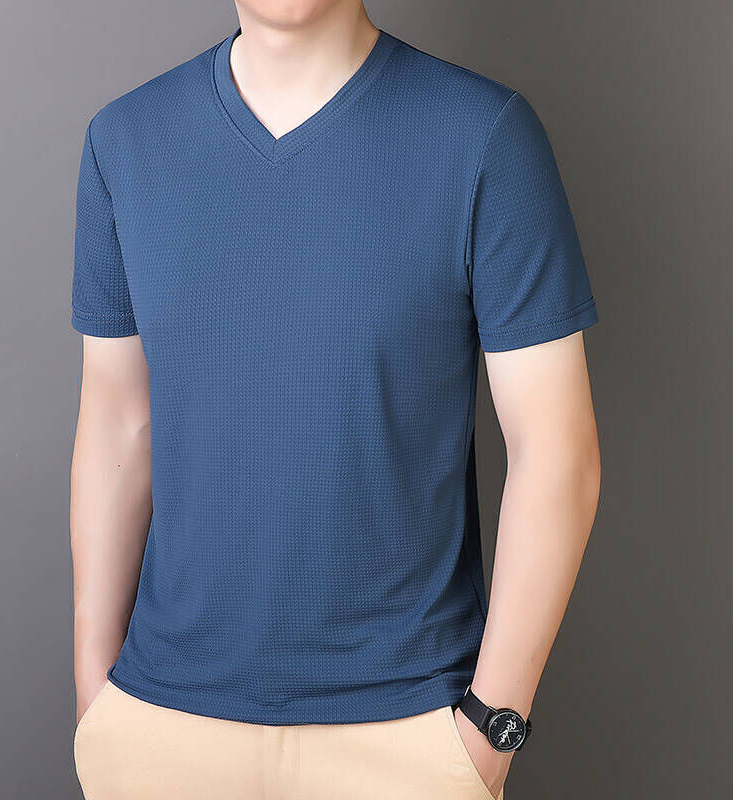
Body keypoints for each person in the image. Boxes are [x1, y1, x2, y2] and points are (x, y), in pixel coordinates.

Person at [69, 2, 601, 798]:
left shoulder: (484, 136)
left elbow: (556, 453)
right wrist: (95, 691)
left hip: (407, 734)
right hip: (160, 726)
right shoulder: (125, 141)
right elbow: (118, 421)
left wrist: (491, 726)